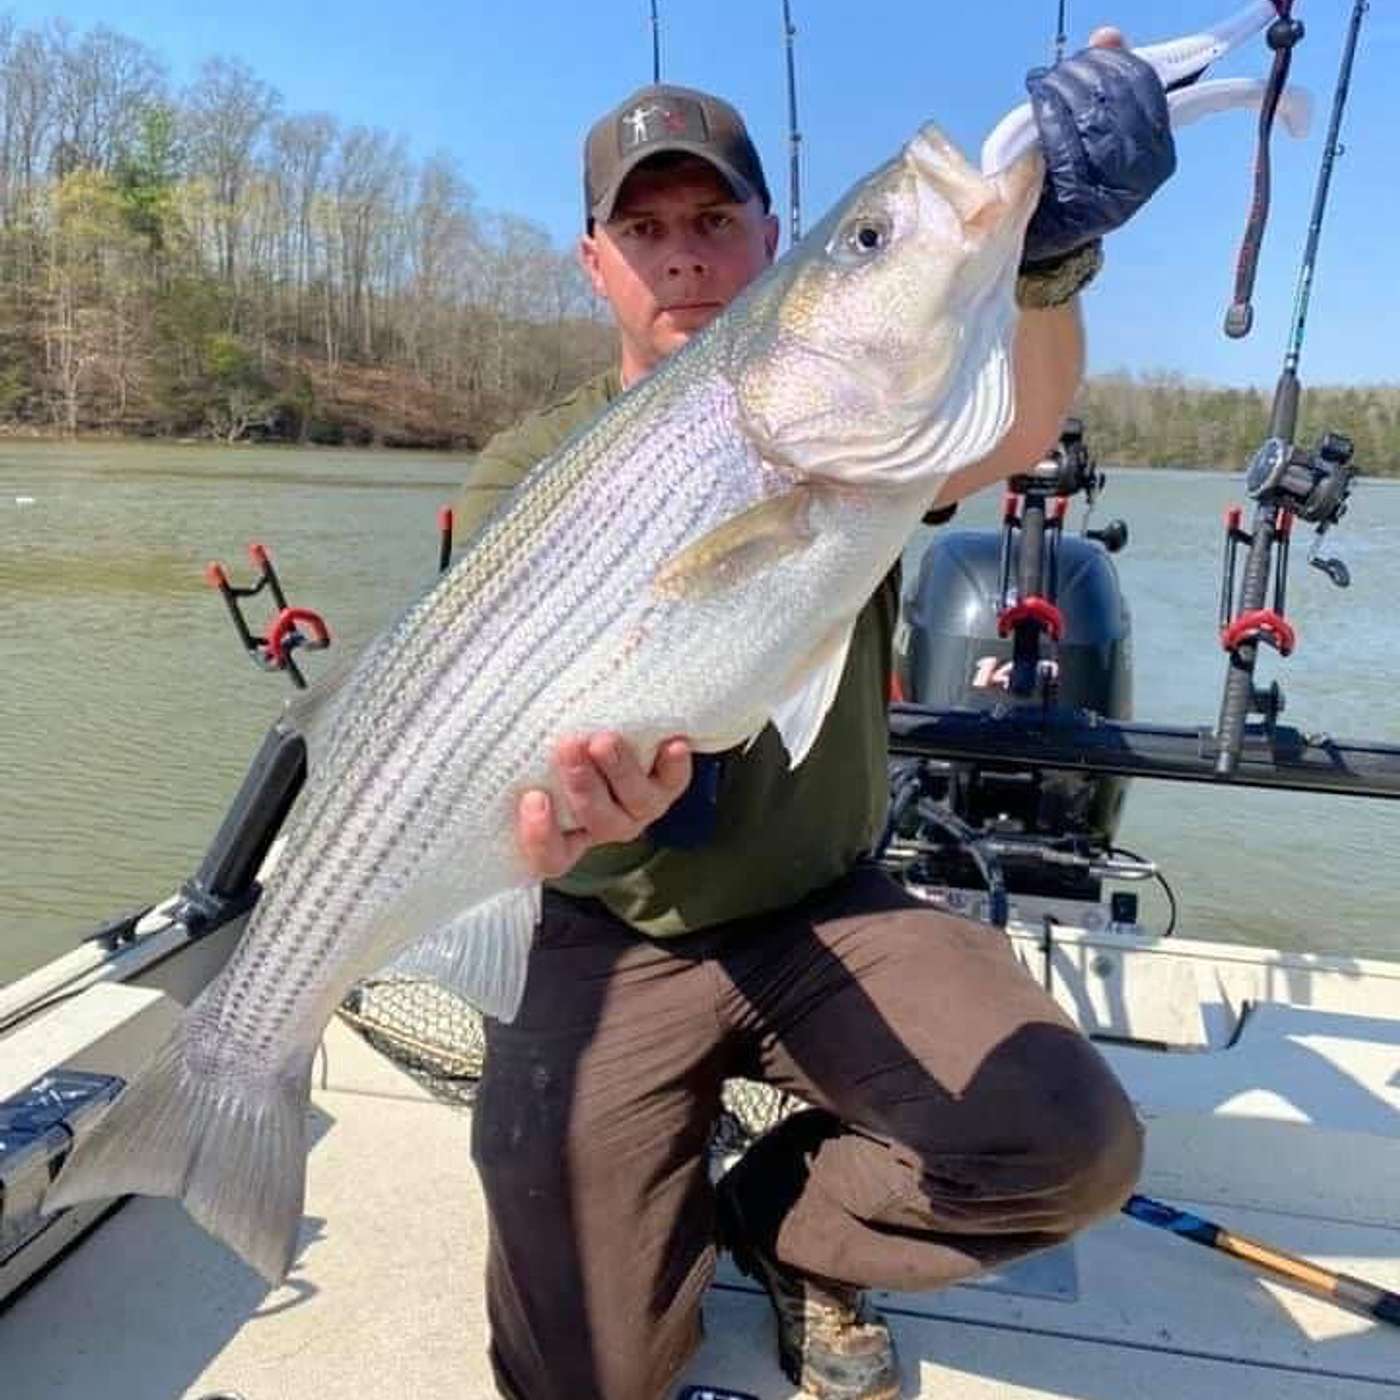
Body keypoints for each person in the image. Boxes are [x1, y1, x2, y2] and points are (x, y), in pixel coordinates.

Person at [461, 38, 1174, 1400]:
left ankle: (783, 1220)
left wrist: (1046, 265)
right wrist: (565, 816)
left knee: (1064, 1146)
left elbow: (1020, 428)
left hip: (822, 906)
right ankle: (647, 1227)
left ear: (768, 242)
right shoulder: (525, 467)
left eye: (715, 220)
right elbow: (495, 758)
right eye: (646, 228)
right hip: (603, 927)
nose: (683, 255)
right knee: (580, 1378)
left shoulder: (863, 439)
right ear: (595, 261)